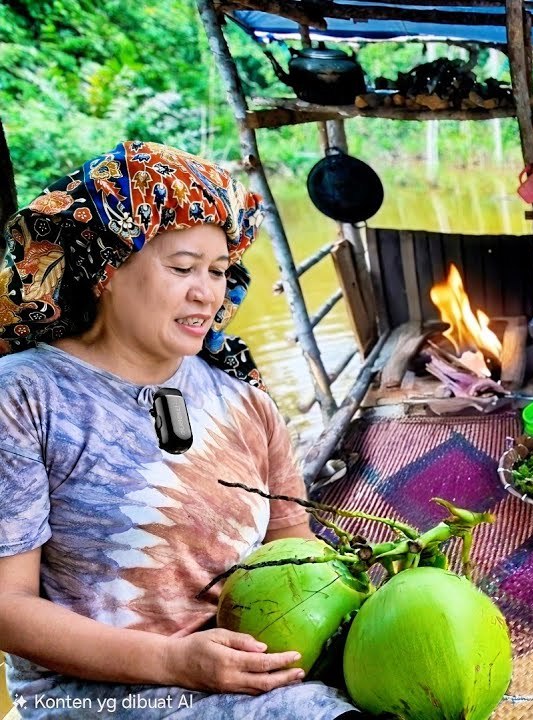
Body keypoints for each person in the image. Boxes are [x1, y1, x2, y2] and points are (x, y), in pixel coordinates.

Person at [0, 141, 365, 718]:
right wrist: (176, 663)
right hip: (104, 699)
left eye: (219, 271)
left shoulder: (245, 400)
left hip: (250, 670)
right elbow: (6, 606)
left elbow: (295, 550)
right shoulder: (24, 396)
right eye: (182, 268)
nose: (208, 292)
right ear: (106, 269)